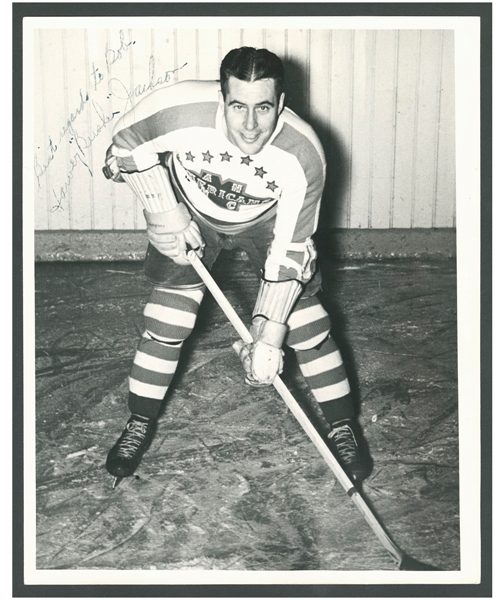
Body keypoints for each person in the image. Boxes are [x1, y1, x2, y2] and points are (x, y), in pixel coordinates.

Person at [102, 46, 372, 484]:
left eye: (263, 108)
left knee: (308, 325)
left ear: (280, 105)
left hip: (265, 223)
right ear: (221, 98)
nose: (250, 125)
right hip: (190, 213)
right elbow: (125, 144)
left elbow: (290, 250)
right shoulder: (177, 110)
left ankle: (343, 427)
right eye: (238, 107)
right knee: (167, 320)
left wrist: (268, 335)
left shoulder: (303, 154)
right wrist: (163, 210)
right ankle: (139, 421)